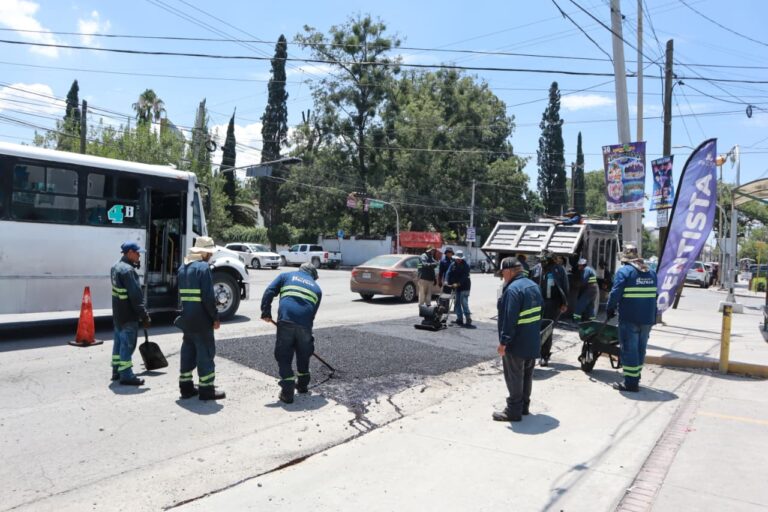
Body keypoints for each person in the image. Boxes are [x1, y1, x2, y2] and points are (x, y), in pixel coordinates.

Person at [261, 262, 323, 404]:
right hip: (305, 326)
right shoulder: (317, 290)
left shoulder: (286, 276)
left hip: (286, 321)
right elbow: (312, 314)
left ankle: (288, 392)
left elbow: (269, 291)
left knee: (284, 355)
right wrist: (307, 339)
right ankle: (302, 385)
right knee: (303, 353)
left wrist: (266, 311)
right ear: (313, 276)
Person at [493, 257, 543, 422]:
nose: (502, 277)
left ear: (509, 271)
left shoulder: (513, 290)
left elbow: (509, 319)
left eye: (503, 274)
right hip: (532, 340)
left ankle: (513, 410)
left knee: (514, 376)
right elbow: (541, 314)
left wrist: (503, 342)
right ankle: (524, 407)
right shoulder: (534, 286)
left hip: (516, 342)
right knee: (527, 375)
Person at [176, 236, 224, 400]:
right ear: (202, 251)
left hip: (186, 318)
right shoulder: (203, 268)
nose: (210, 255)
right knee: (205, 353)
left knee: (188, 351)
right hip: (201, 320)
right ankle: (206, 390)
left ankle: (186, 387)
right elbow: (208, 298)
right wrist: (215, 317)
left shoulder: (183, 267)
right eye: (209, 252)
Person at [606, 244, 658, 392]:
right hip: (647, 318)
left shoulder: (624, 272)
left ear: (625, 260)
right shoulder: (652, 273)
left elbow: (615, 293)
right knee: (641, 349)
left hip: (630, 317)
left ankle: (630, 383)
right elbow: (655, 296)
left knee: (629, 349)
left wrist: (609, 309)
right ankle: (636, 376)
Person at [110, 241, 151, 386]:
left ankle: (116, 370)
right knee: (127, 345)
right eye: (137, 252)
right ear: (129, 253)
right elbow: (135, 297)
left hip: (118, 315)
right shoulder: (128, 271)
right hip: (128, 316)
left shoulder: (115, 267)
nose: (139, 255)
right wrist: (144, 315)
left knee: (118, 343)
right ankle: (126, 375)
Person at [538, 250, 569, 366]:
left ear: (550, 259)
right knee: (534, 328)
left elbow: (565, 286)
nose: (541, 262)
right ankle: (533, 352)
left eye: (544, 259)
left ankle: (544, 355)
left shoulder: (559, 269)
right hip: (538, 303)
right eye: (541, 259)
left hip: (553, 303)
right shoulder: (537, 269)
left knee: (548, 329)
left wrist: (564, 303)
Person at [446, 249, 473, 327]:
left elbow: (464, 277)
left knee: (464, 302)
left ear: (462, 259)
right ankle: (459, 319)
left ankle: (468, 318)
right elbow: (448, 272)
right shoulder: (453, 264)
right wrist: (446, 281)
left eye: (459, 259)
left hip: (465, 287)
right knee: (457, 303)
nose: (458, 260)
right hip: (457, 287)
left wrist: (458, 283)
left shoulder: (466, 266)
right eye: (457, 258)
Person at [573, 258, 599, 323]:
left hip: (589, 290)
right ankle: (592, 322)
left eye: (579, 265)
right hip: (594, 290)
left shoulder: (586, 270)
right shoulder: (590, 269)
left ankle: (576, 322)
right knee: (590, 307)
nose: (578, 267)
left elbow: (584, 281)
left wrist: (577, 285)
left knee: (579, 306)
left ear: (583, 265)